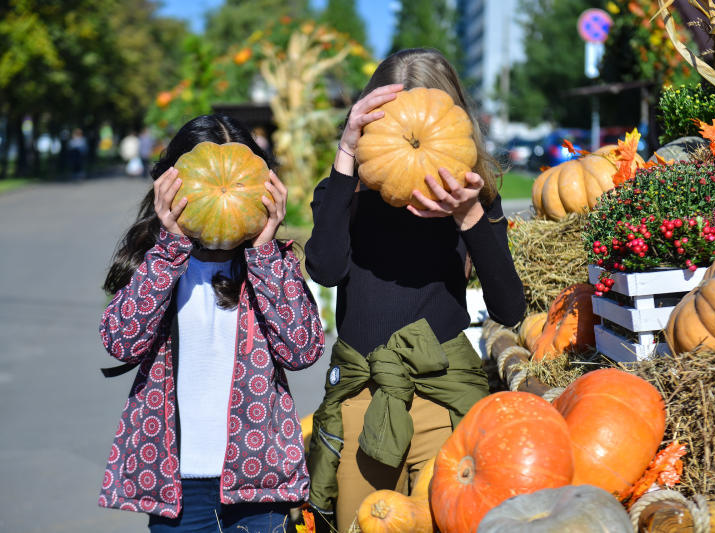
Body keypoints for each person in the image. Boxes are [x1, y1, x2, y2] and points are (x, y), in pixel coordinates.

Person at [304, 48, 526, 530]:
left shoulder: (473, 198)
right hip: (363, 394)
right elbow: (323, 268)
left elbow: (508, 307)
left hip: (441, 394)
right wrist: (346, 156)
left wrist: (467, 216)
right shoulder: (343, 193)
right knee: (360, 523)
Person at [98, 114, 325, 532]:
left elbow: (303, 349)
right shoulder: (157, 262)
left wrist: (262, 252)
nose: (223, 190)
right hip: (177, 488)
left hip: (260, 487)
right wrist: (168, 249)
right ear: (171, 184)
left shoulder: (270, 264)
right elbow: (121, 341)